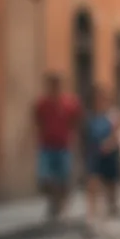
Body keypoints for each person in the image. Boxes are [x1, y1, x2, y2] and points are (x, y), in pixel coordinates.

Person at [33, 72, 82, 222]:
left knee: (63, 178)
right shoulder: (42, 103)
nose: (54, 87)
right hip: (46, 146)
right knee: (45, 178)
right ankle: (53, 202)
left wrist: (74, 138)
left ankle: (61, 205)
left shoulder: (70, 103)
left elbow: (76, 121)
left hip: (63, 146)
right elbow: (37, 121)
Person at [83, 85, 120, 236]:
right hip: (94, 154)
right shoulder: (90, 116)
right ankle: (91, 219)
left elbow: (118, 133)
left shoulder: (112, 115)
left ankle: (109, 215)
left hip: (109, 155)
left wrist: (109, 144)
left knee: (110, 187)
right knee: (92, 184)